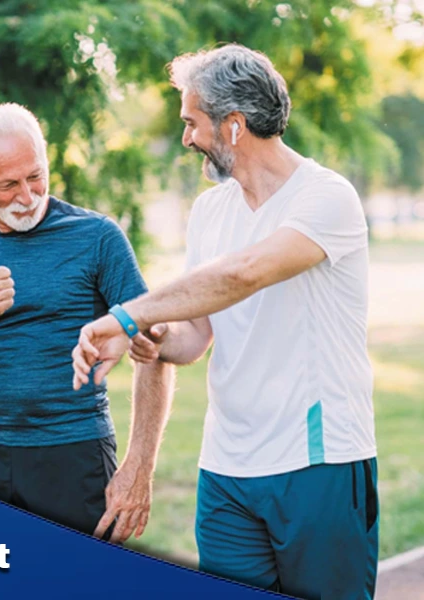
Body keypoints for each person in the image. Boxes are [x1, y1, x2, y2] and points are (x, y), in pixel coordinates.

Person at [72, 44, 378, 599]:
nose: (186, 137)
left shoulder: (326, 197)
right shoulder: (212, 211)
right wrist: (158, 337)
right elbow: (196, 337)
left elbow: (245, 273)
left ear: (233, 125)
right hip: (226, 470)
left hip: (316, 461)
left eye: (192, 122)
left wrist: (126, 314)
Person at [0, 103, 174, 536]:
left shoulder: (97, 237)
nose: (27, 196)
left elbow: (153, 347)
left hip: (74, 456)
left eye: (35, 176)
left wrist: (139, 466)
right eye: (7, 185)